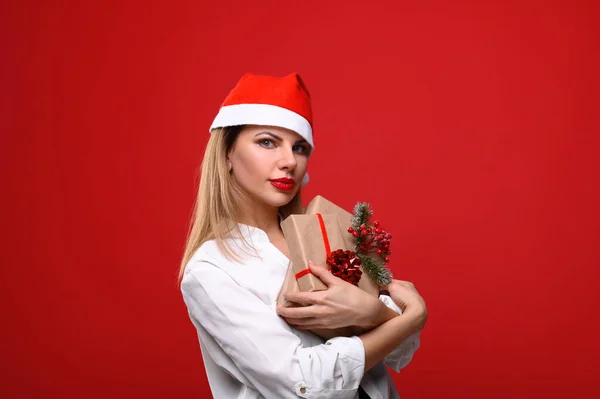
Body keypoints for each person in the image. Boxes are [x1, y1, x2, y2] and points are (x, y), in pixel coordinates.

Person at [179, 72, 428, 399]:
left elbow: (398, 351)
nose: (289, 161)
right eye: (267, 142)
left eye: (299, 147)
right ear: (226, 154)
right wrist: (404, 318)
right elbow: (305, 387)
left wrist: (381, 317)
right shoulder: (211, 270)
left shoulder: (323, 232)